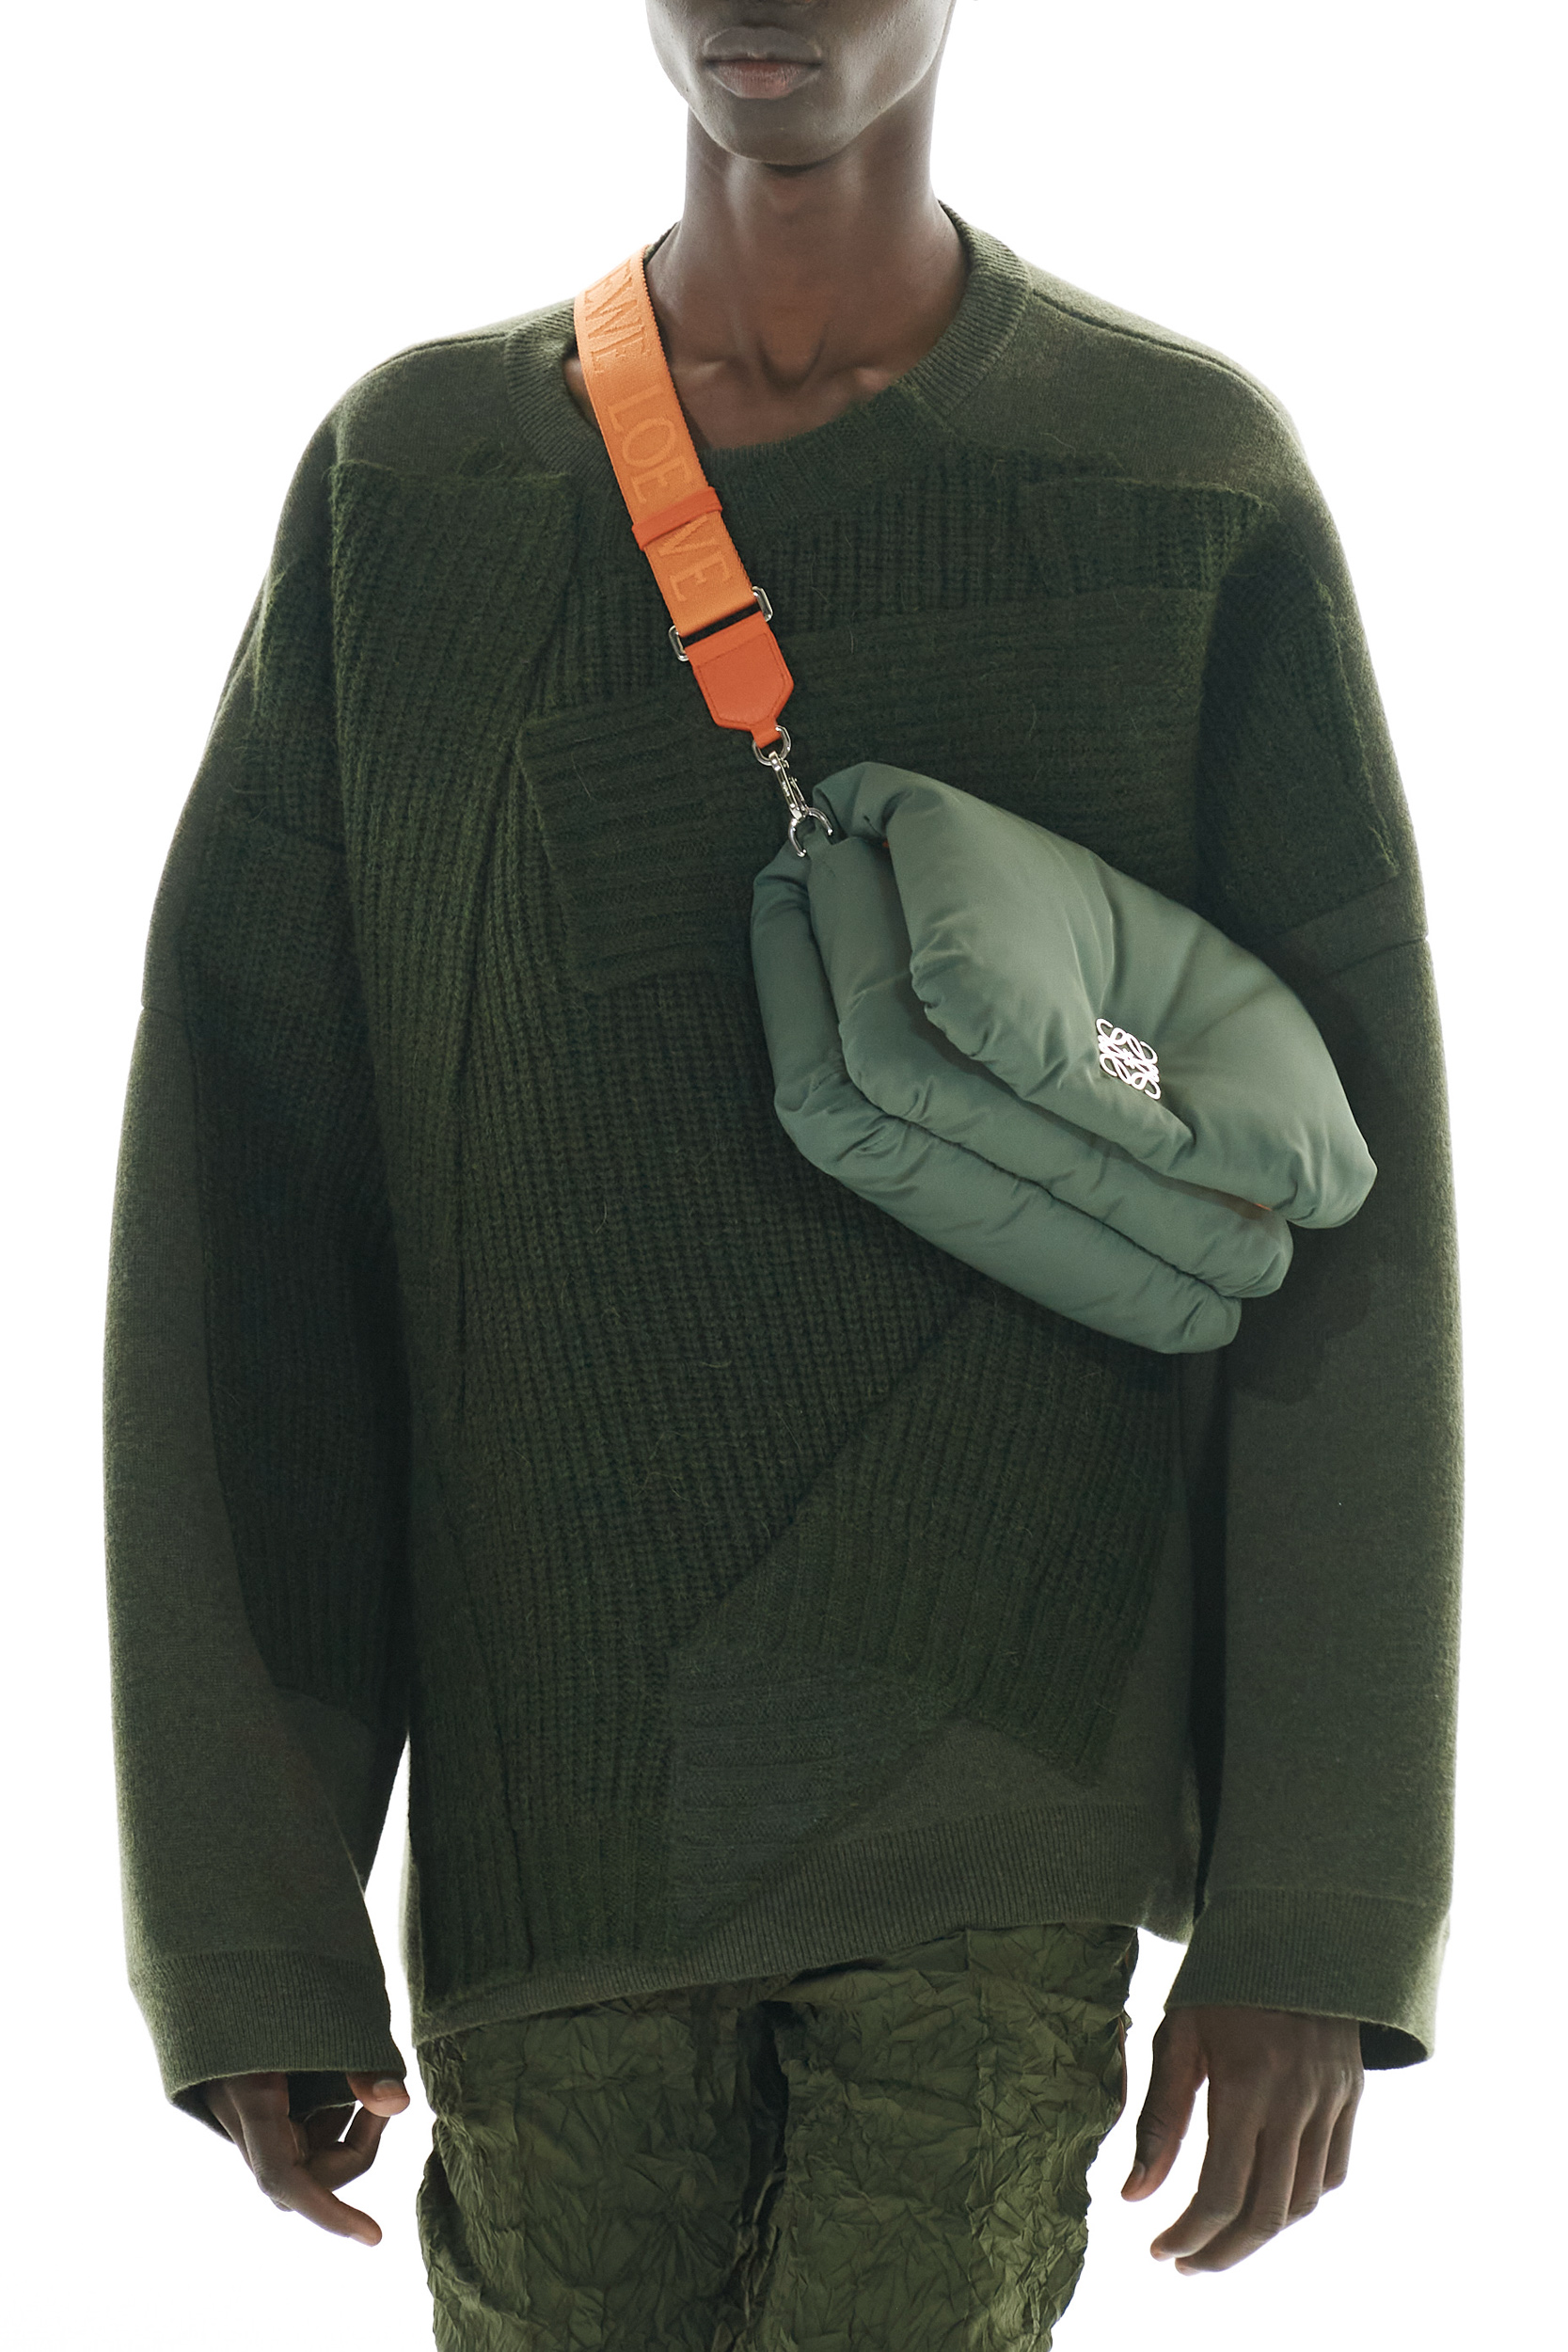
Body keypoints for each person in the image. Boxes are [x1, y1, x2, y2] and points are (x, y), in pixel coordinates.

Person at [103, 3, 1462, 2344]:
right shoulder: (414, 490)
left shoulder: (1177, 486)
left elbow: (1349, 1229)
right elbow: (249, 1232)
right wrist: (251, 1909)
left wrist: (1320, 1908)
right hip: (558, 1832)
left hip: (1003, 1795)